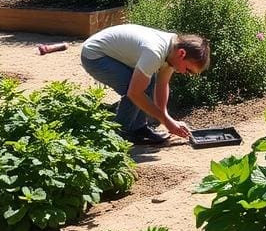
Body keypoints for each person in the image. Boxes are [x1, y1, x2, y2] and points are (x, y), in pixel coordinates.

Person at [81, 24, 210, 145]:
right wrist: (166, 121)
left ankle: (139, 129)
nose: (183, 72)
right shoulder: (155, 52)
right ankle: (118, 136)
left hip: (113, 54)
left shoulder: (173, 50)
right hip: (95, 56)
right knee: (132, 92)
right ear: (182, 53)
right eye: (187, 69)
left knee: (147, 82)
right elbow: (134, 93)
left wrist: (165, 117)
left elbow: (162, 84)